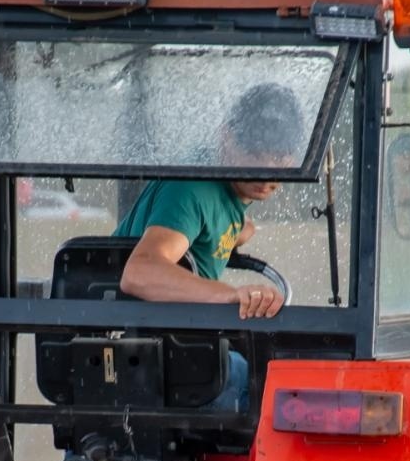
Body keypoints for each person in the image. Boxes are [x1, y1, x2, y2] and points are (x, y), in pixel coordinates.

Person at [116, 82, 304, 410]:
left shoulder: (229, 190)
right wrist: (228, 294)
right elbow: (139, 272)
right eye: (256, 156)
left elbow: (220, 226)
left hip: (165, 345)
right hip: (149, 353)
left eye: (278, 159)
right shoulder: (193, 187)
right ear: (226, 137)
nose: (267, 175)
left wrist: (243, 232)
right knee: (274, 391)